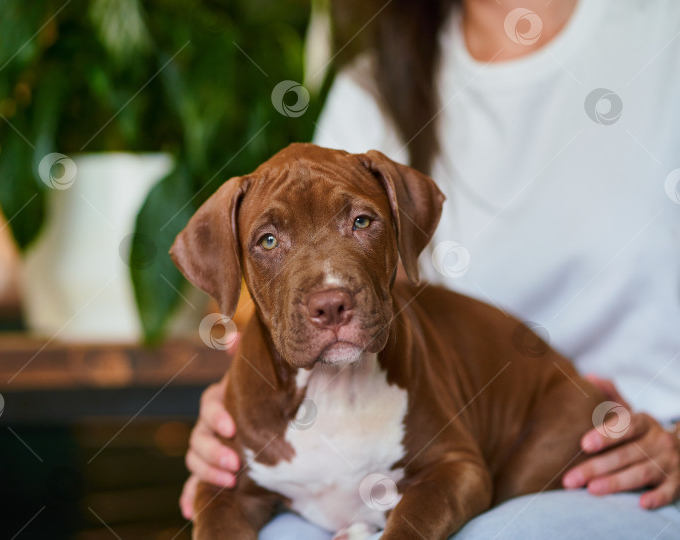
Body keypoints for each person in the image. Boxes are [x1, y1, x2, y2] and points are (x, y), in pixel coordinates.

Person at [180, 0, 680, 537]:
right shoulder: (376, 82)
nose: (329, 290)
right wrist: (228, 442)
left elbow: (456, 471)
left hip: (611, 443)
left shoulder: (661, 33)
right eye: (270, 240)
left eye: (361, 223)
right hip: (337, 467)